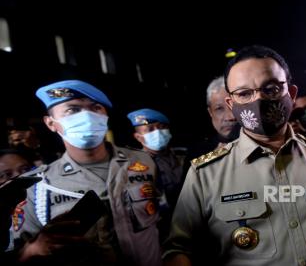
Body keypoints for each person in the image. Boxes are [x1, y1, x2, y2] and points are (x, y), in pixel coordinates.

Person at [163, 45, 306, 266]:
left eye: (271, 89)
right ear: (232, 105)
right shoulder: (206, 174)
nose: (259, 100)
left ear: (291, 94)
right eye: (244, 93)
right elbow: (179, 250)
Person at [15, 80, 162, 266]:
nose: (88, 116)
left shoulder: (143, 161)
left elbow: (162, 219)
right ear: (51, 123)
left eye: (96, 108)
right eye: (72, 110)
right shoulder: (38, 186)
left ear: (106, 116)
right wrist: (33, 249)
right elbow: (17, 252)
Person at [127, 108, 184, 241]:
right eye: (150, 129)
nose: (158, 132)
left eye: (162, 127)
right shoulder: (132, 166)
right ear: (138, 137)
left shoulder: (183, 155)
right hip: (160, 230)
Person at [185, 76, 239, 162]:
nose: (230, 117)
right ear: (210, 112)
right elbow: (192, 170)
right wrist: (214, 155)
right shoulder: (197, 151)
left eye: (234, 106)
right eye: (219, 109)